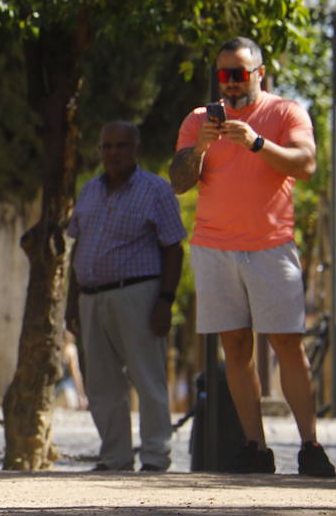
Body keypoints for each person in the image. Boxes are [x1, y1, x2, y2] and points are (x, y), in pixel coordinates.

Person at [170, 37, 335, 477]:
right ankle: (255, 447)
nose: (230, 82)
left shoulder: (285, 113)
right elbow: (179, 182)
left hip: (271, 247)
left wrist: (258, 143)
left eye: (239, 73)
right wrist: (200, 148)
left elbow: (306, 164)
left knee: (287, 345)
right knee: (235, 347)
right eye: (223, 74)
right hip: (214, 248)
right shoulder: (199, 120)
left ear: (260, 73)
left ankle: (310, 446)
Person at [67, 121, 185, 472]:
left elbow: (173, 248)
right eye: (107, 146)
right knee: (102, 384)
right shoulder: (88, 191)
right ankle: (115, 456)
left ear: (136, 149)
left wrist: (165, 300)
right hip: (91, 298)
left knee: (147, 378)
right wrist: (72, 300)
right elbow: (77, 247)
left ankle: (154, 456)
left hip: (138, 294)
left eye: (121, 146)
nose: (113, 153)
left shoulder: (155, 190)